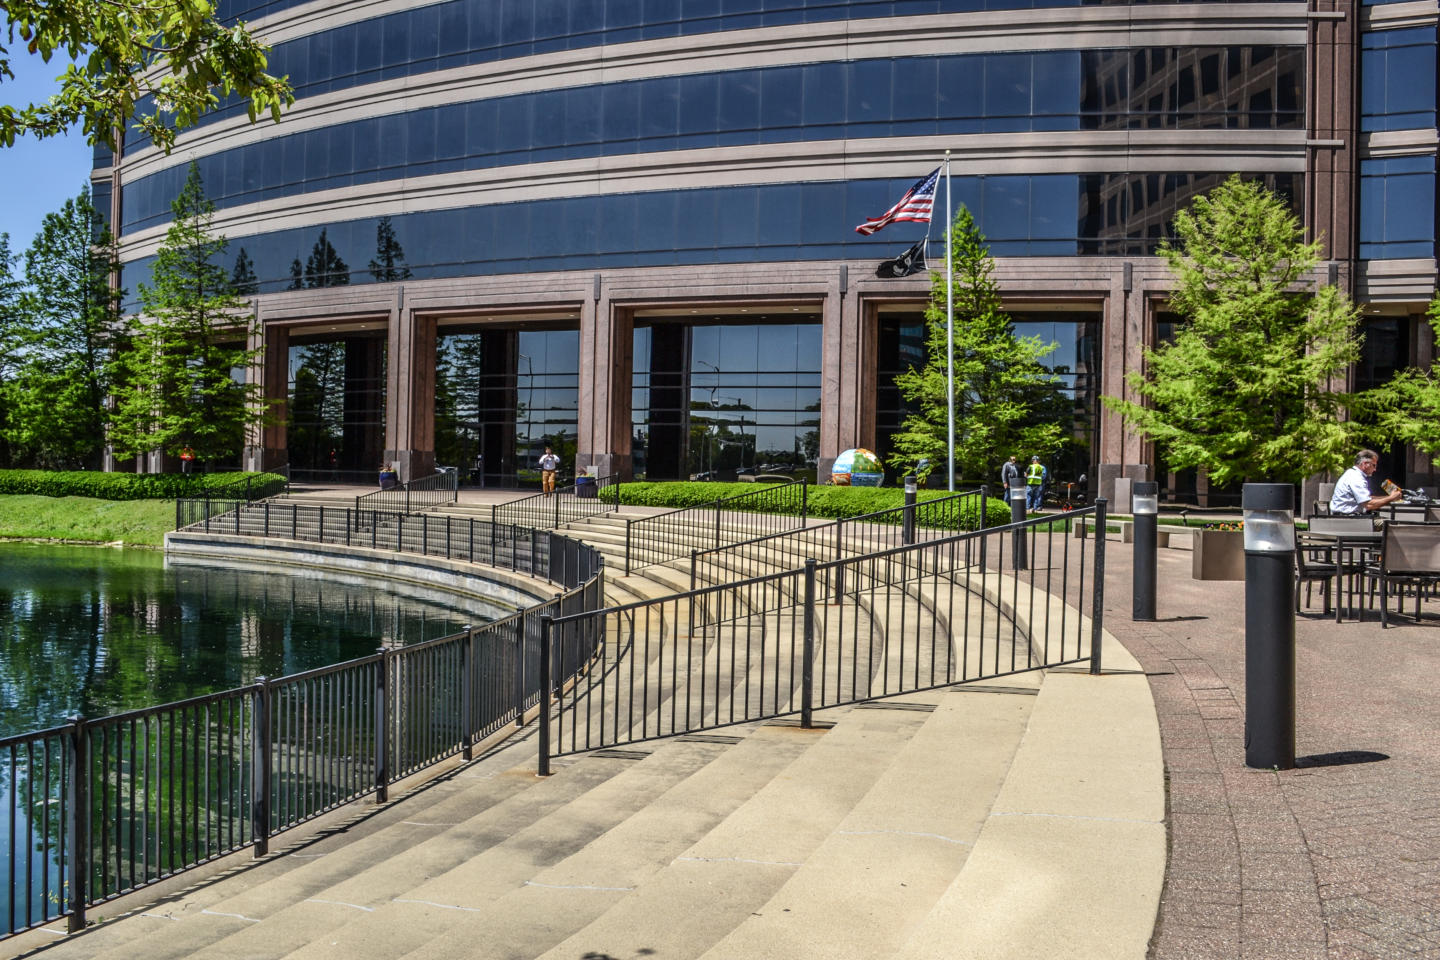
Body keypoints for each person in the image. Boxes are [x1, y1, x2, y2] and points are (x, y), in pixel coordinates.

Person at [1329, 449, 1404, 515]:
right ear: (1365, 464)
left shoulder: (1352, 473)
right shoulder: (1356, 478)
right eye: (1374, 465)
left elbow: (1367, 499)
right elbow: (1368, 505)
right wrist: (1391, 498)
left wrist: (1390, 497)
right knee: (1390, 526)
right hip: (1350, 519)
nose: (1375, 469)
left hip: (1347, 517)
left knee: (1385, 522)